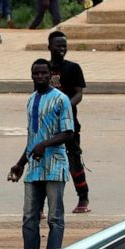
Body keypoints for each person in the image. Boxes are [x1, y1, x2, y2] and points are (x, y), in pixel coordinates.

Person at [8, 59, 74, 249]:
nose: (39, 77)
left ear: (50, 74)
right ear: (31, 75)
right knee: (29, 217)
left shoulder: (61, 99)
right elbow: (32, 138)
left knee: (55, 218)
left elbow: (68, 133)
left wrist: (44, 144)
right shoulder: (31, 100)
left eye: (43, 73)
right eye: (36, 73)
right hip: (34, 168)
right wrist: (20, 164)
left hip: (55, 166)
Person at [47, 31, 90, 214]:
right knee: (45, 162)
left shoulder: (73, 68)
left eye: (65, 45)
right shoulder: (43, 68)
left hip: (68, 124)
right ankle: (43, 204)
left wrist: (64, 107)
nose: (62, 49)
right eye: (59, 45)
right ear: (50, 47)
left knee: (73, 160)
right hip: (48, 125)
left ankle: (83, 197)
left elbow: (78, 93)